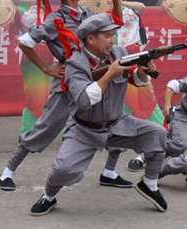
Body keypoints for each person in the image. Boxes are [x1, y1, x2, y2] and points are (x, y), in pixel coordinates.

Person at [0, 0, 126, 191]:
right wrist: (46, 69)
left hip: (97, 74)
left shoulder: (87, 12)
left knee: (115, 119)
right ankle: (7, 172)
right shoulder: (54, 20)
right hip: (69, 80)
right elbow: (25, 43)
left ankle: (109, 172)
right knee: (46, 127)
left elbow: (116, 20)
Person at [30, 13, 169, 216]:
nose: (112, 40)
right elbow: (85, 100)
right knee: (62, 171)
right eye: (107, 35)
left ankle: (150, 184)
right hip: (84, 128)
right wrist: (110, 74)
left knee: (158, 133)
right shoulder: (74, 64)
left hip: (116, 122)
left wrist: (143, 72)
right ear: (91, 39)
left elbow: (135, 80)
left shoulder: (119, 53)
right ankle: (49, 197)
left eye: (113, 35)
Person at [113, 0, 167, 172]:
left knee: (145, 92)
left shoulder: (133, 6)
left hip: (136, 53)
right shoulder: (109, 10)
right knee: (122, 95)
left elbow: (142, 7)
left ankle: (161, 129)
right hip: (120, 55)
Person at [8, 0, 53, 133]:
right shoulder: (16, 10)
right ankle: (27, 132)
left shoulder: (41, 3)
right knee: (35, 93)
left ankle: (59, 129)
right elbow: (1, 16)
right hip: (32, 54)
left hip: (50, 53)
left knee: (54, 92)